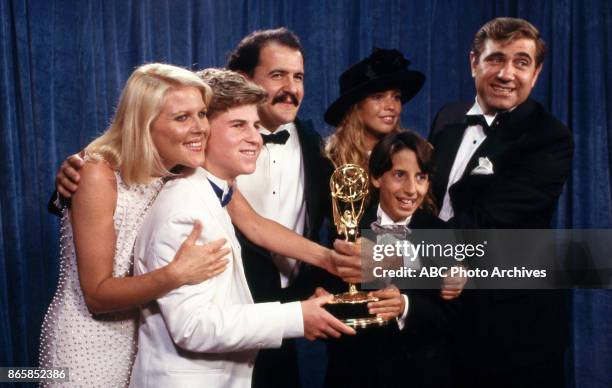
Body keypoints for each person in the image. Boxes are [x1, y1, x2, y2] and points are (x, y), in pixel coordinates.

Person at [129, 68, 355, 388]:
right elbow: (193, 326)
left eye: (256, 126)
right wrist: (297, 317)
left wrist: (339, 264)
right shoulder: (186, 211)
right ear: (203, 131)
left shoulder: (215, 192)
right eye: (238, 125)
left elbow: (257, 226)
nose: (255, 137)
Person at [38, 63, 231, 387]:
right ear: (144, 123)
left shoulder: (182, 165)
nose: (201, 127)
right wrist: (175, 274)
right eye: (182, 117)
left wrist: (328, 259)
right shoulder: (98, 173)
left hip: (145, 344)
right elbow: (97, 297)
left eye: (202, 113)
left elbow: (254, 224)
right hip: (84, 347)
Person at [428, 17, 574, 388]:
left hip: (513, 330)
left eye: (521, 62)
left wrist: (392, 254)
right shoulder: (448, 118)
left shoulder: (549, 137)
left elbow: (489, 220)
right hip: (440, 317)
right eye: (495, 59)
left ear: (536, 73)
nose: (507, 73)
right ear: (473, 62)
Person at [226, 28, 334, 387]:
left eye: (298, 77)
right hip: (222, 315)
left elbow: (319, 226)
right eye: (277, 75)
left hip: (287, 323)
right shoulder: (207, 142)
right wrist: (81, 168)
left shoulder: (314, 144)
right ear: (244, 79)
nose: (292, 88)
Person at [324, 130, 461, 388]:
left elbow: (453, 315)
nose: (411, 190)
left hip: (420, 376)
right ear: (376, 177)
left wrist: (405, 306)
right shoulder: (345, 230)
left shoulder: (440, 234)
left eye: (421, 177)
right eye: (400, 175)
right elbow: (330, 304)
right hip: (354, 375)